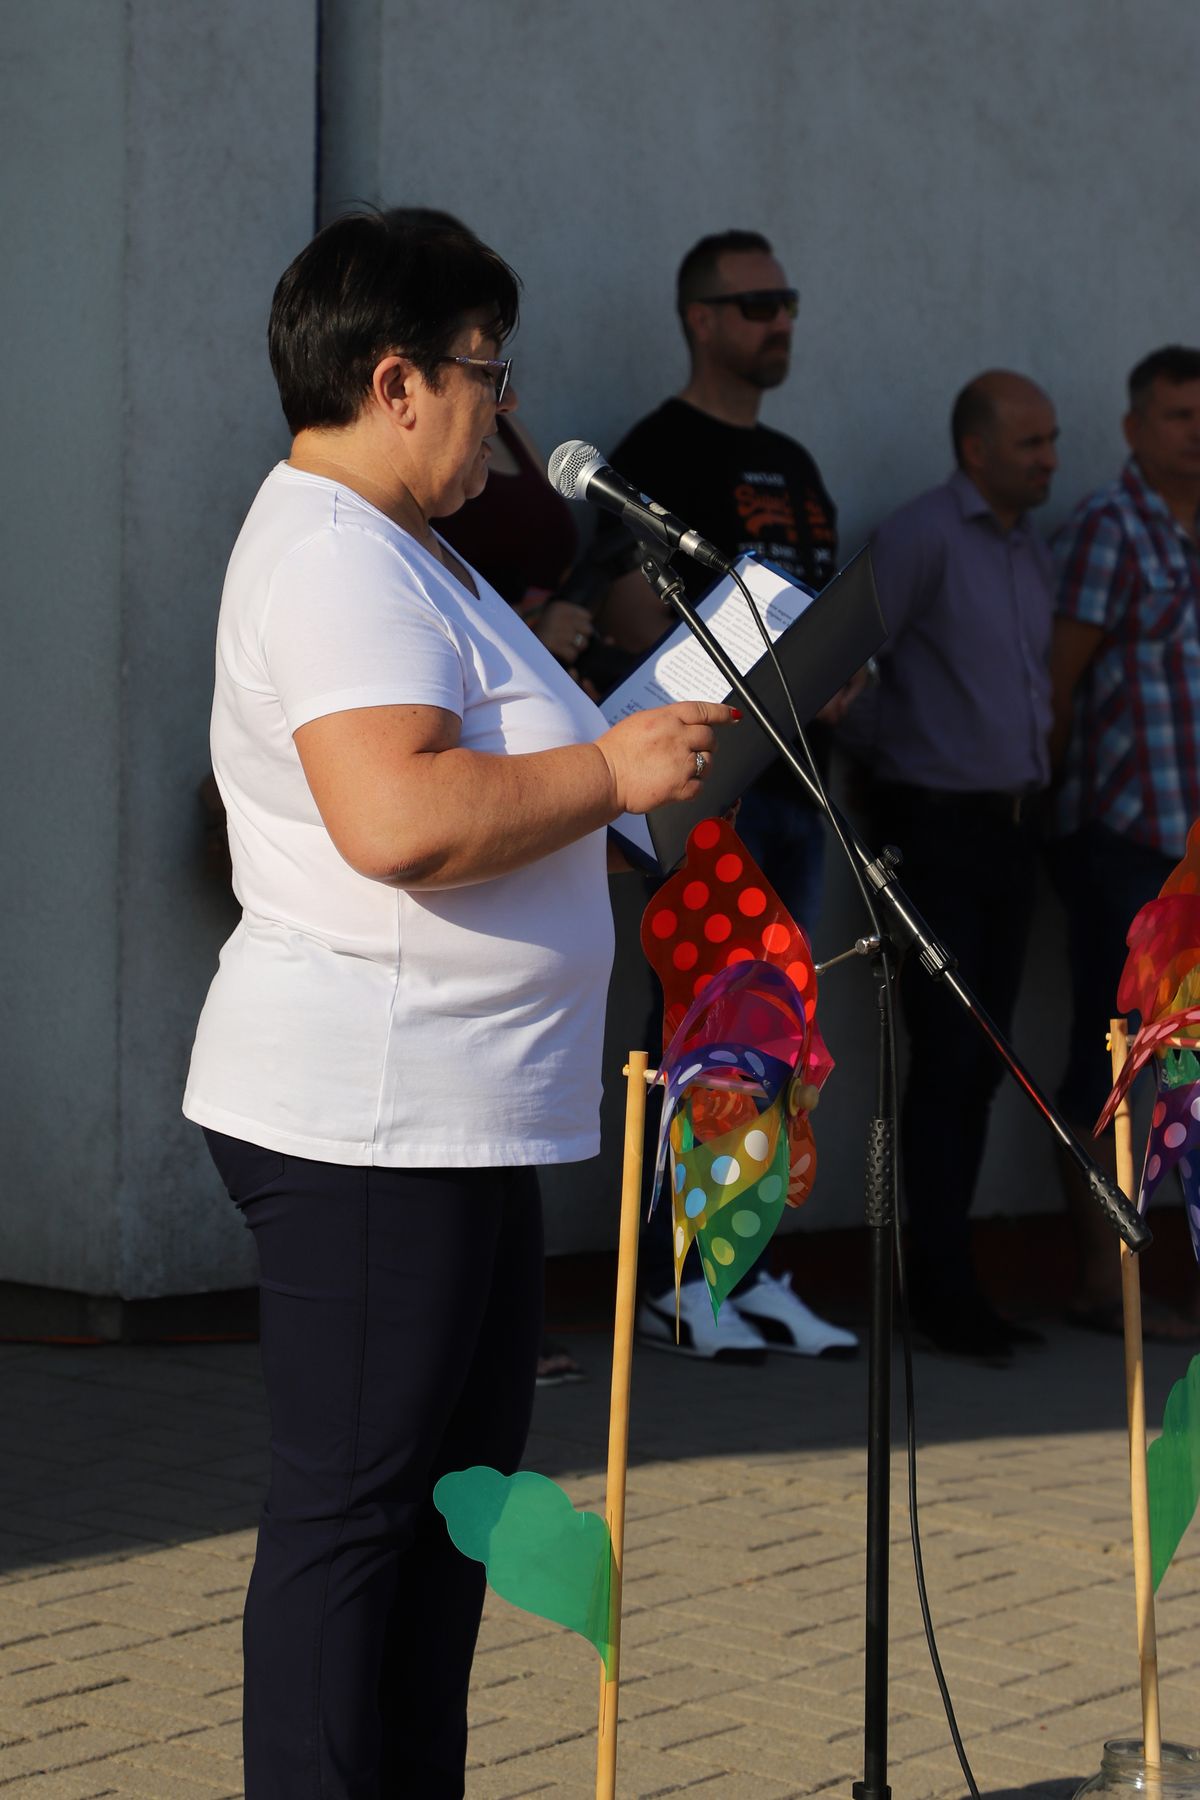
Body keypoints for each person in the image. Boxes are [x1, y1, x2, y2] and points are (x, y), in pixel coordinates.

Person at [181, 208, 736, 1798]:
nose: (505, 405)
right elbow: (400, 819)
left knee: (446, 1518)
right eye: (488, 371)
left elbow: (522, 779)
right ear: (397, 380)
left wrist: (679, 742)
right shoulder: (329, 553)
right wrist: (611, 769)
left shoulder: (411, 549)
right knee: (353, 1524)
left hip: (461, 1109)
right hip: (371, 1112)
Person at [596, 228, 858, 1363]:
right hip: (711, 790)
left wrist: (841, 669)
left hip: (800, 781)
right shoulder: (656, 451)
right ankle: (679, 1278)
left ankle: (739, 1267)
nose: (780, 321)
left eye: (787, 301)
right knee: (702, 1031)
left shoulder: (792, 460)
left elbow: (814, 605)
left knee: (776, 1034)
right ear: (701, 318)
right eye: (757, 305)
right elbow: (625, 617)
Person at [839, 371, 1059, 1360]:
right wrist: (894, 761)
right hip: (933, 828)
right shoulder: (923, 535)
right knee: (948, 1059)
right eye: (1030, 443)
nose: (1049, 460)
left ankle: (952, 1279)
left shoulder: (1024, 547)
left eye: (1052, 441)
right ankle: (934, 1291)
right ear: (976, 449)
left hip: (1010, 830)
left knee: (983, 1064)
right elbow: (847, 668)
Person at [1049, 344, 1200, 1339]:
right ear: (1135, 429)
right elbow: (1059, 680)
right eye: (1180, 416)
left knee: (1193, 1069)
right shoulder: (1110, 526)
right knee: (1116, 1065)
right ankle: (1108, 1286)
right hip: (1126, 839)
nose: (1197, 434)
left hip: (1197, 850)